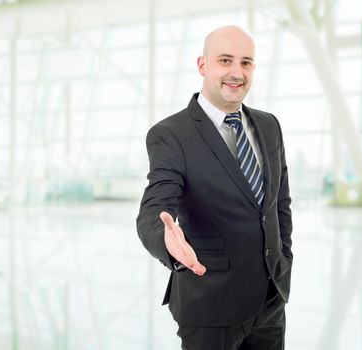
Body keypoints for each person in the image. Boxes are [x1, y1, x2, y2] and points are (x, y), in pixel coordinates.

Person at [136, 25, 293, 350]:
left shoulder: (269, 125)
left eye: (246, 62)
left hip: (269, 301)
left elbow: (279, 205)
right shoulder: (171, 134)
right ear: (203, 65)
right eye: (226, 60)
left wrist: (284, 259)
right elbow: (154, 210)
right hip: (210, 306)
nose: (237, 72)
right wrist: (167, 242)